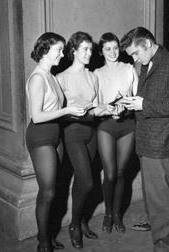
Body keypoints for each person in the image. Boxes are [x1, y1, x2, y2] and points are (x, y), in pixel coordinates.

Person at [120, 27, 169, 252]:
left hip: (159, 143)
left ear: (147, 45)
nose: (134, 58)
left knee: (162, 203)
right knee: (156, 199)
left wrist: (144, 105)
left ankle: (167, 248)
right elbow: (151, 97)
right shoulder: (147, 63)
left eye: (135, 53)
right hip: (147, 140)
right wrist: (132, 103)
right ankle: (161, 234)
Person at [26, 32, 85, 252]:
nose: (62, 54)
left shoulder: (50, 75)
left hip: (55, 135)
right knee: (47, 192)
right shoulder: (38, 78)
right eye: (58, 50)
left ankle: (48, 236)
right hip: (40, 136)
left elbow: (55, 111)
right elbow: (37, 116)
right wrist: (68, 109)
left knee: (55, 189)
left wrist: (78, 111)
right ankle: (43, 242)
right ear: (45, 51)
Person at [56, 31, 113, 249]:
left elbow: (96, 105)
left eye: (91, 49)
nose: (90, 53)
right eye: (85, 49)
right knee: (88, 181)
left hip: (91, 132)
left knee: (83, 181)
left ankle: (79, 221)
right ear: (73, 51)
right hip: (73, 132)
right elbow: (58, 111)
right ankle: (74, 226)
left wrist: (107, 108)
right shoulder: (61, 78)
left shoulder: (92, 76)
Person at [93, 32, 138, 234]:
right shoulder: (96, 74)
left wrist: (125, 108)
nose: (113, 52)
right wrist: (110, 108)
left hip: (128, 125)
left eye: (116, 47)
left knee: (121, 173)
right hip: (106, 126)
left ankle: (117, 214)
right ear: (101, 51)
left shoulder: (129, 69)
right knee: (110, 174)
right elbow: (94, 106)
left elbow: (137, 99)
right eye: (108, 49)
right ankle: (108, 213)